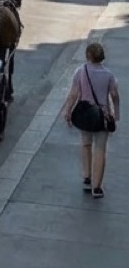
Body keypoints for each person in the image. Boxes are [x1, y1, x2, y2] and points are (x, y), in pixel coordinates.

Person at [61, 41, 120, 198]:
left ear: (88, 56)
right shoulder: (109, 75)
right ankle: (97, 187)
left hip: (86, 113)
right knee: (100, 150)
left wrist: (67, 111)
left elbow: (74, 93)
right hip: (103, 115)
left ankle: (87, 177)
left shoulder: (81, 72)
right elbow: (114, 95)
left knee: (86, 144)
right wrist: (116, 113)